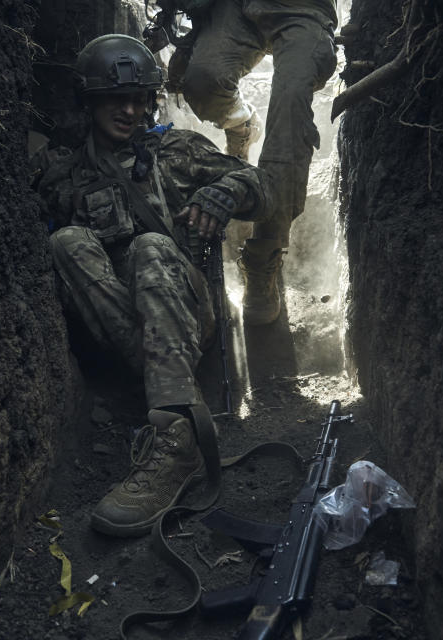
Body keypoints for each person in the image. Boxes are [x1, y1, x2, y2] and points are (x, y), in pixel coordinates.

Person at [30, 34, 274, 537]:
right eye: (115, 98)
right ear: (89, 102)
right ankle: (164, 401)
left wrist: (221, 193)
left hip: (185, 313)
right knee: (68, 241)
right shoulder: (66, 173)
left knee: (150, 248)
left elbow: (261, 188)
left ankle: (177, 434)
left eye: (140, 97)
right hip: (122, 329)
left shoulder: (175, 150)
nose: (130, 109)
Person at [175, 0, 338, 326]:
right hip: (236, 5)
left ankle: (264, 255)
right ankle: (242, 126)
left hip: (302, 7)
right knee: (202, 81)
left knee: (289, 116)